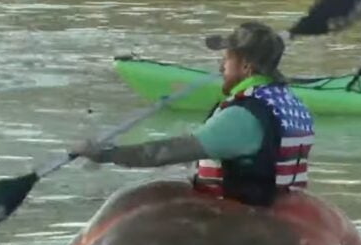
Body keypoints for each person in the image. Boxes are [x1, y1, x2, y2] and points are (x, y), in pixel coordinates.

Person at [71, 22, 314, 207]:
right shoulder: (290, 101)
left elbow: (162, 153)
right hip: (285, 204)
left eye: (226, 59)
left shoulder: (243, 113)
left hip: (243, 210)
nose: (221, 67)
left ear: (246, 67)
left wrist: (105, 154)